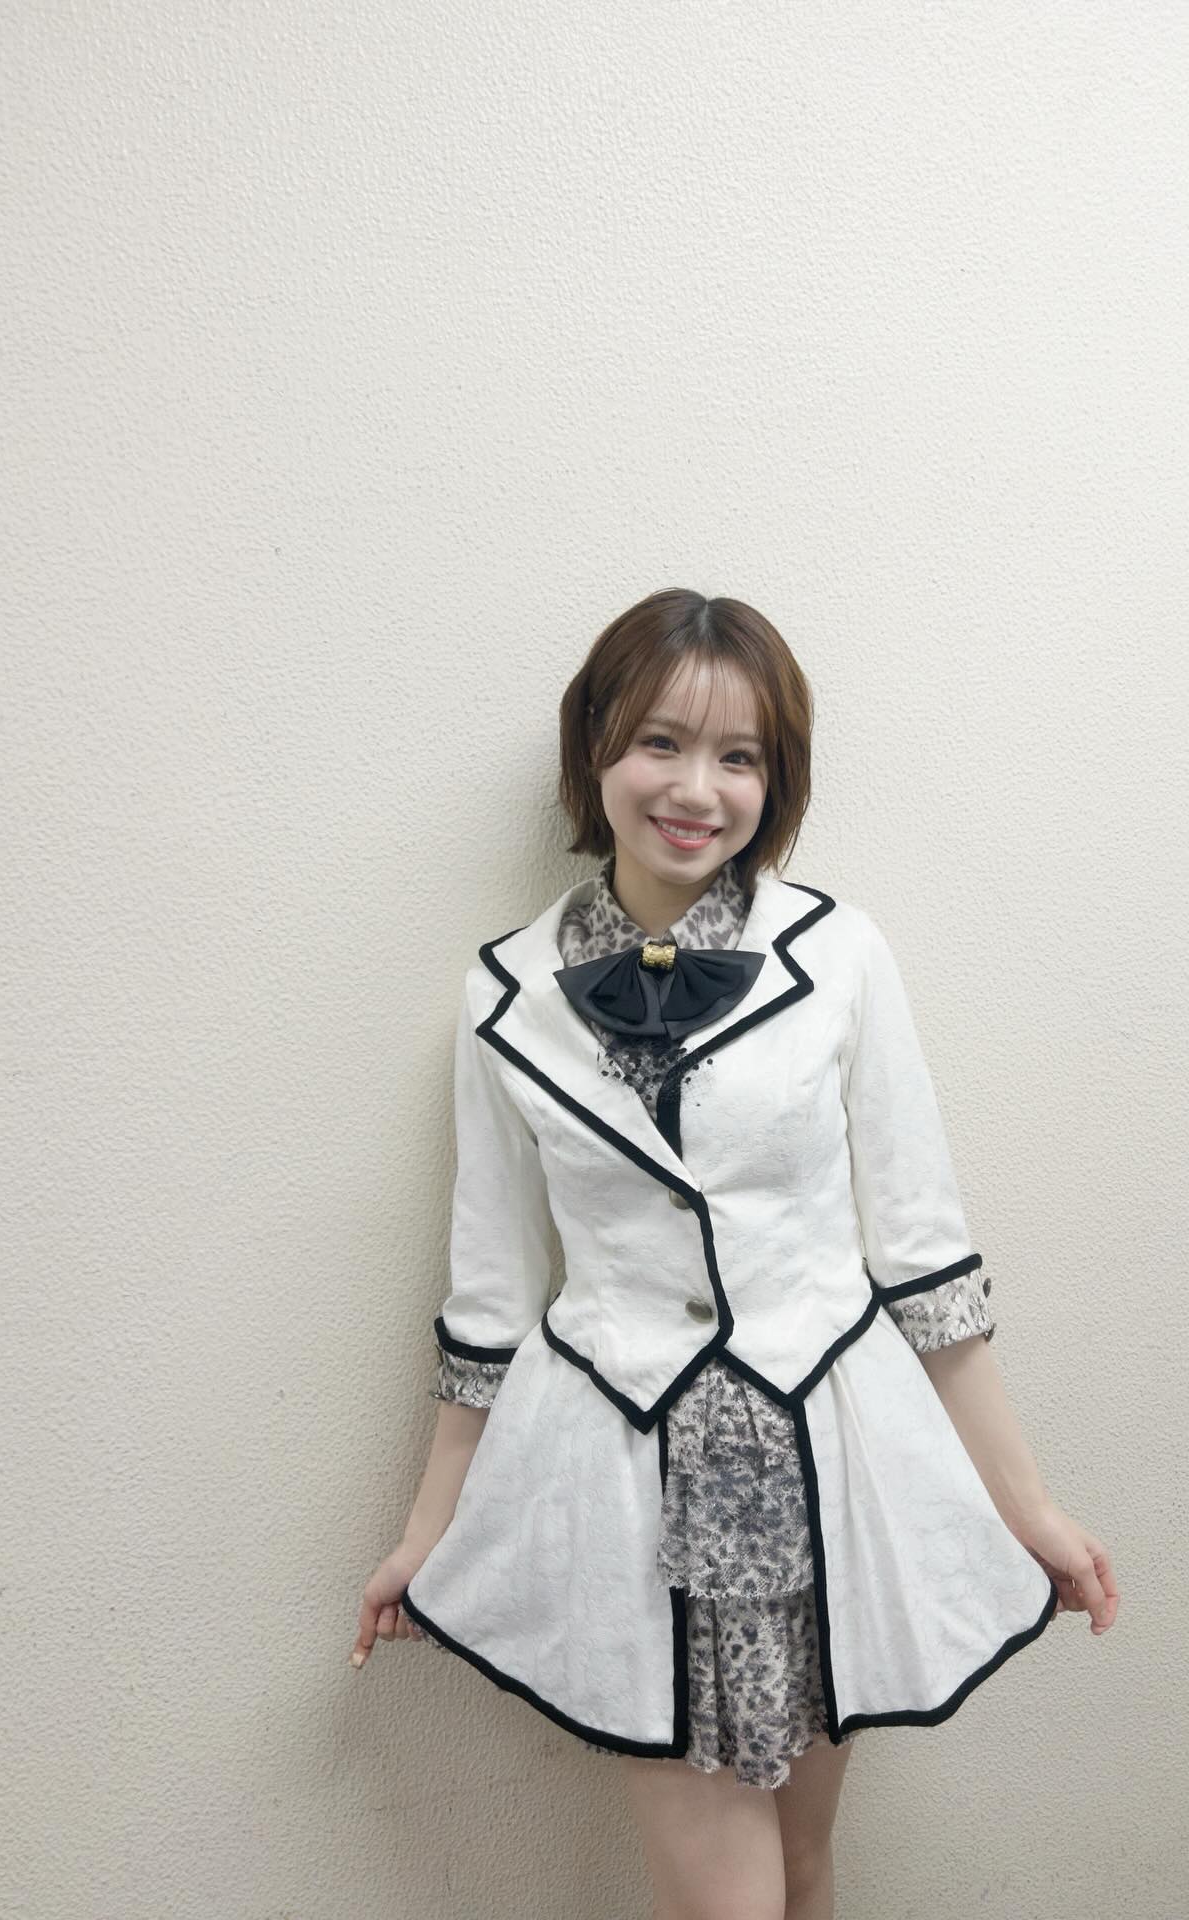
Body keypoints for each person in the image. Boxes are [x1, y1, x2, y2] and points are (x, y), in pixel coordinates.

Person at [352, 589, 1118, 1919]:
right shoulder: (503, 994)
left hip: (824, 1462)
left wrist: (1029, 1508)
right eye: (660, 741)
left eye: (739, 756)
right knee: (727, 1902)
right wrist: (427, 1534)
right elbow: (490, 1293)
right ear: (596, 750)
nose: (696, 789)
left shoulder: (840, 952)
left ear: (777, 779)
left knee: (807, 1871)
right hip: (627, 1477)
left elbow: (927, 1259)